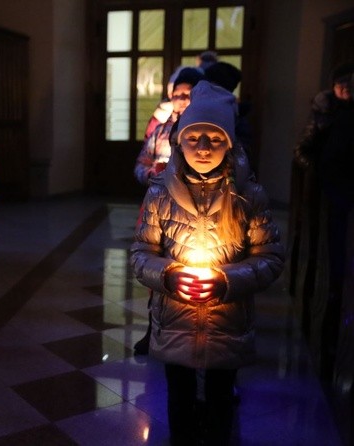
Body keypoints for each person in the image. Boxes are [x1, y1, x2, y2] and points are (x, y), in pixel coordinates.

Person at [130, 80, 285, 446]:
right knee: (179, 400)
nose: (202, 147)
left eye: (214, 139)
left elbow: (271, 257)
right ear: (178, 141)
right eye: (193, 137)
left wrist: (227, 281)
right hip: (175, 320)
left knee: (220, 402)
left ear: (229, 144)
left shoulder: (248, 196)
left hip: (227, 322)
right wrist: (168, 276)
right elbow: (140, 255)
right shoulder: (160, 194)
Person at [132, 67, 204, 356]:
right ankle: (153, 329)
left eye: (187, 95)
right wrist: (150, 173)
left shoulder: (200, 132)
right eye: (177, 95)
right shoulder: (161, 130)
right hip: (158, 207)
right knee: (156, 269)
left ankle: (190, 337)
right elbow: (140, 163)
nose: (181, 100)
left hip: (192, 214)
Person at [289, 62, 354, 336]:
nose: (347, 88)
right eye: (342, 84)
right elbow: (303, 148)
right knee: (328, 247)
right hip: (327, 189)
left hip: (345, 186)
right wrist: (315, 169)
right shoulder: (325, 113)